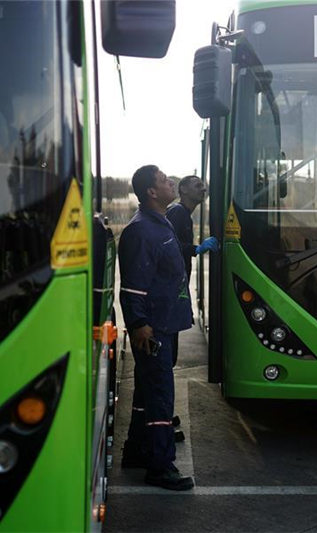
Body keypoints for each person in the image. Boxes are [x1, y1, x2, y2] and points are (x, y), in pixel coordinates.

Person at [118, 165, 194, 491]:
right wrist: (138, 324)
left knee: (146, 392)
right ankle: (161, 467)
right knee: (161, 395)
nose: (170, 182)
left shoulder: (159, 224)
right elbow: (132, 287)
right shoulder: (140, 231)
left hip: (163, 322)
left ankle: (136, 451)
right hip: (152, 328)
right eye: (164, 180)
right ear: (151, 191)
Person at [164, 175, 218, 441]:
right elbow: (171, 247)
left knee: (170, 357)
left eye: (204, 185)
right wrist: (198, 248)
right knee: (166, 358)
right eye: (197, 185)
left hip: (176, 289)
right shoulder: (178, 213)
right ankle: (160, 420)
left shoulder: (184, 214)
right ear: (183, 189)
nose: (203, 188)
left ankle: (163, 415)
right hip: (171, 292)